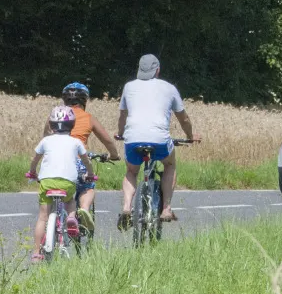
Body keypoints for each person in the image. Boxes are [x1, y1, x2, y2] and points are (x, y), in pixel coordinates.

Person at [116, 54, 198, 230]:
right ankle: (166, 208)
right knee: (170, 164)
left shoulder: (129, 86)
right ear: (158, 70)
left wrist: (120, 133)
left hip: (133, 139)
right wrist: (191, 136)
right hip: (159, 140)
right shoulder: (169, 88)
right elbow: (184, 119)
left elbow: (123, 115)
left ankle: (127, 207)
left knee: (131, 171)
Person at [44, 82, 120, 232]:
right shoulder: (88, 118)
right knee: (87, 186)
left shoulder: (54, 116)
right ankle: (84, 208)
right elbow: (107, 140)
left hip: (54, 162)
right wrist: (114, 155)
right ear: (84, 100)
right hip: (78, 161)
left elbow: (46, 137)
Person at [29, 107, 95, 262]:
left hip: (47, 181)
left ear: (51, 125)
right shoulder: (76, 142)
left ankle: (36, 253)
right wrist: (90, 174)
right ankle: (71, 217)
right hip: (67, 182)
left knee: (42, 218)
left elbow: (35, 160)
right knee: (70, 200)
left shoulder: (45, 141)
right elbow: (86, 161)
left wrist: (32, 172)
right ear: (72, 125)